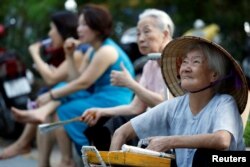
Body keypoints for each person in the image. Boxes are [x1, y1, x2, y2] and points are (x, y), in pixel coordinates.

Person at [9, 4, 134, 166]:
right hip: (98, 95)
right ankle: (66, 159)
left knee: (64, 109)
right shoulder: (92, 50)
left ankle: (87, 156)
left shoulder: (107, 51)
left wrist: (52, 95)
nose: (79, 29)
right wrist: (69, 56)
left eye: (83, 24)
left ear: (96, 27)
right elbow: (77, 78)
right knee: (61, 101)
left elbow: (84, 82)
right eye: (79, 24)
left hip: (113, 100)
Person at [110, 36, 248, 167]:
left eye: (196, 62)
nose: (186, 68)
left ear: (214, 75)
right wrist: (111, 162)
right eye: (185, 62)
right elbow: (121, 133)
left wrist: (169, 141)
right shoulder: (174, 106)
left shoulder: (224, 102)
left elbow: (222, 140)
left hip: (231, 161)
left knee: (204, 156)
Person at [82, 8, 174, 150]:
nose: (141, 38)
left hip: (169, 128)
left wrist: (131, 84)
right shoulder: (149, 64)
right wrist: (101, 111)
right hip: (153, 122)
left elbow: (166, 104)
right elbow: (136, 107)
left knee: (117, 125)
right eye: (138, 33)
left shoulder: (175, 60)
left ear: (165, 34)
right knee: (101, 121)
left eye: (147, 31)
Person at [0, 10, 85, 160]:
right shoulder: (67, 49)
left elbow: (52, 79)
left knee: (49, 106)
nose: (50, 34)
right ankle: (38, 157)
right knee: (45, 115)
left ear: (62, 31)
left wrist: (34, 53)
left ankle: (27, 145)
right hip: (69, 95)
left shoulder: (78, 51)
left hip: (86, 98)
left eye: (52, 29)